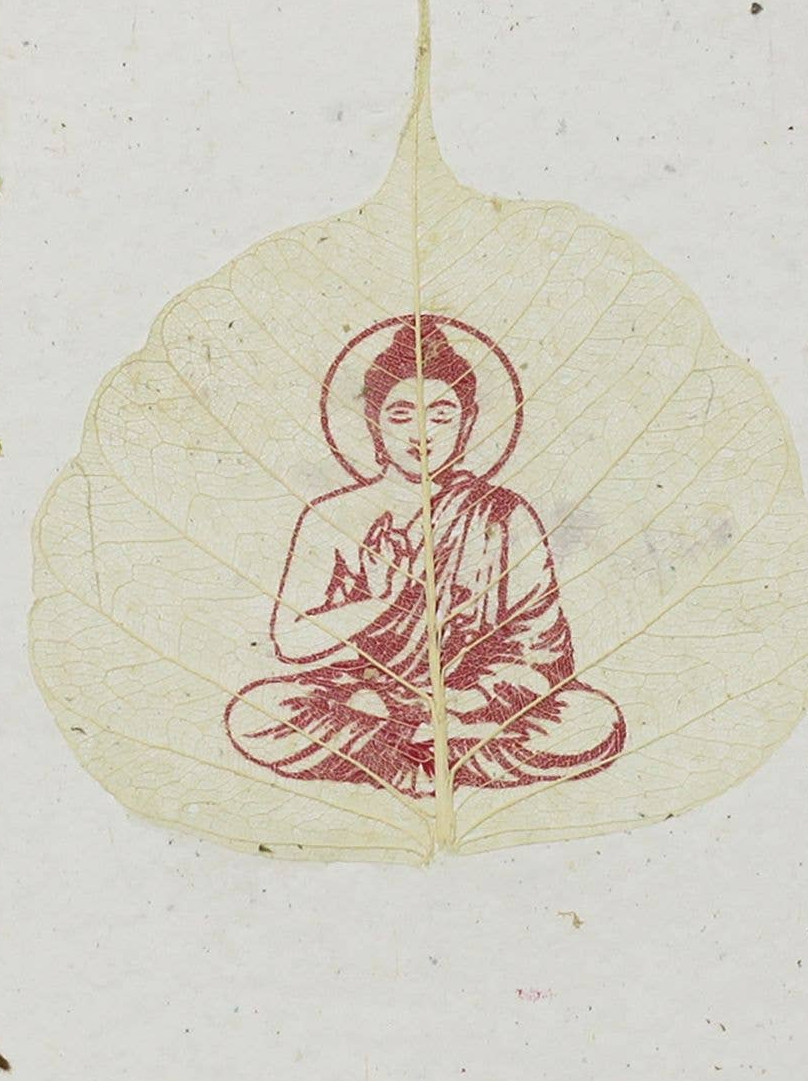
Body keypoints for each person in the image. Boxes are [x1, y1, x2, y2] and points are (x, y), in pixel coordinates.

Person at [226, 318, 625, 797]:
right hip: (368, 698)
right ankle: (421, 760)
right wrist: (385, 602)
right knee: (257, 712)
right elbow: (291, 642)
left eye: (441, 415)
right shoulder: (332, 515)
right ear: (373, 424)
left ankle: (412, 755)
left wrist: (462, 700)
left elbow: (540, 655)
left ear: (468, 422)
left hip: (471, 706)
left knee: (593, 720)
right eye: (400, 416)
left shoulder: (502, 514)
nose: (422, 434)